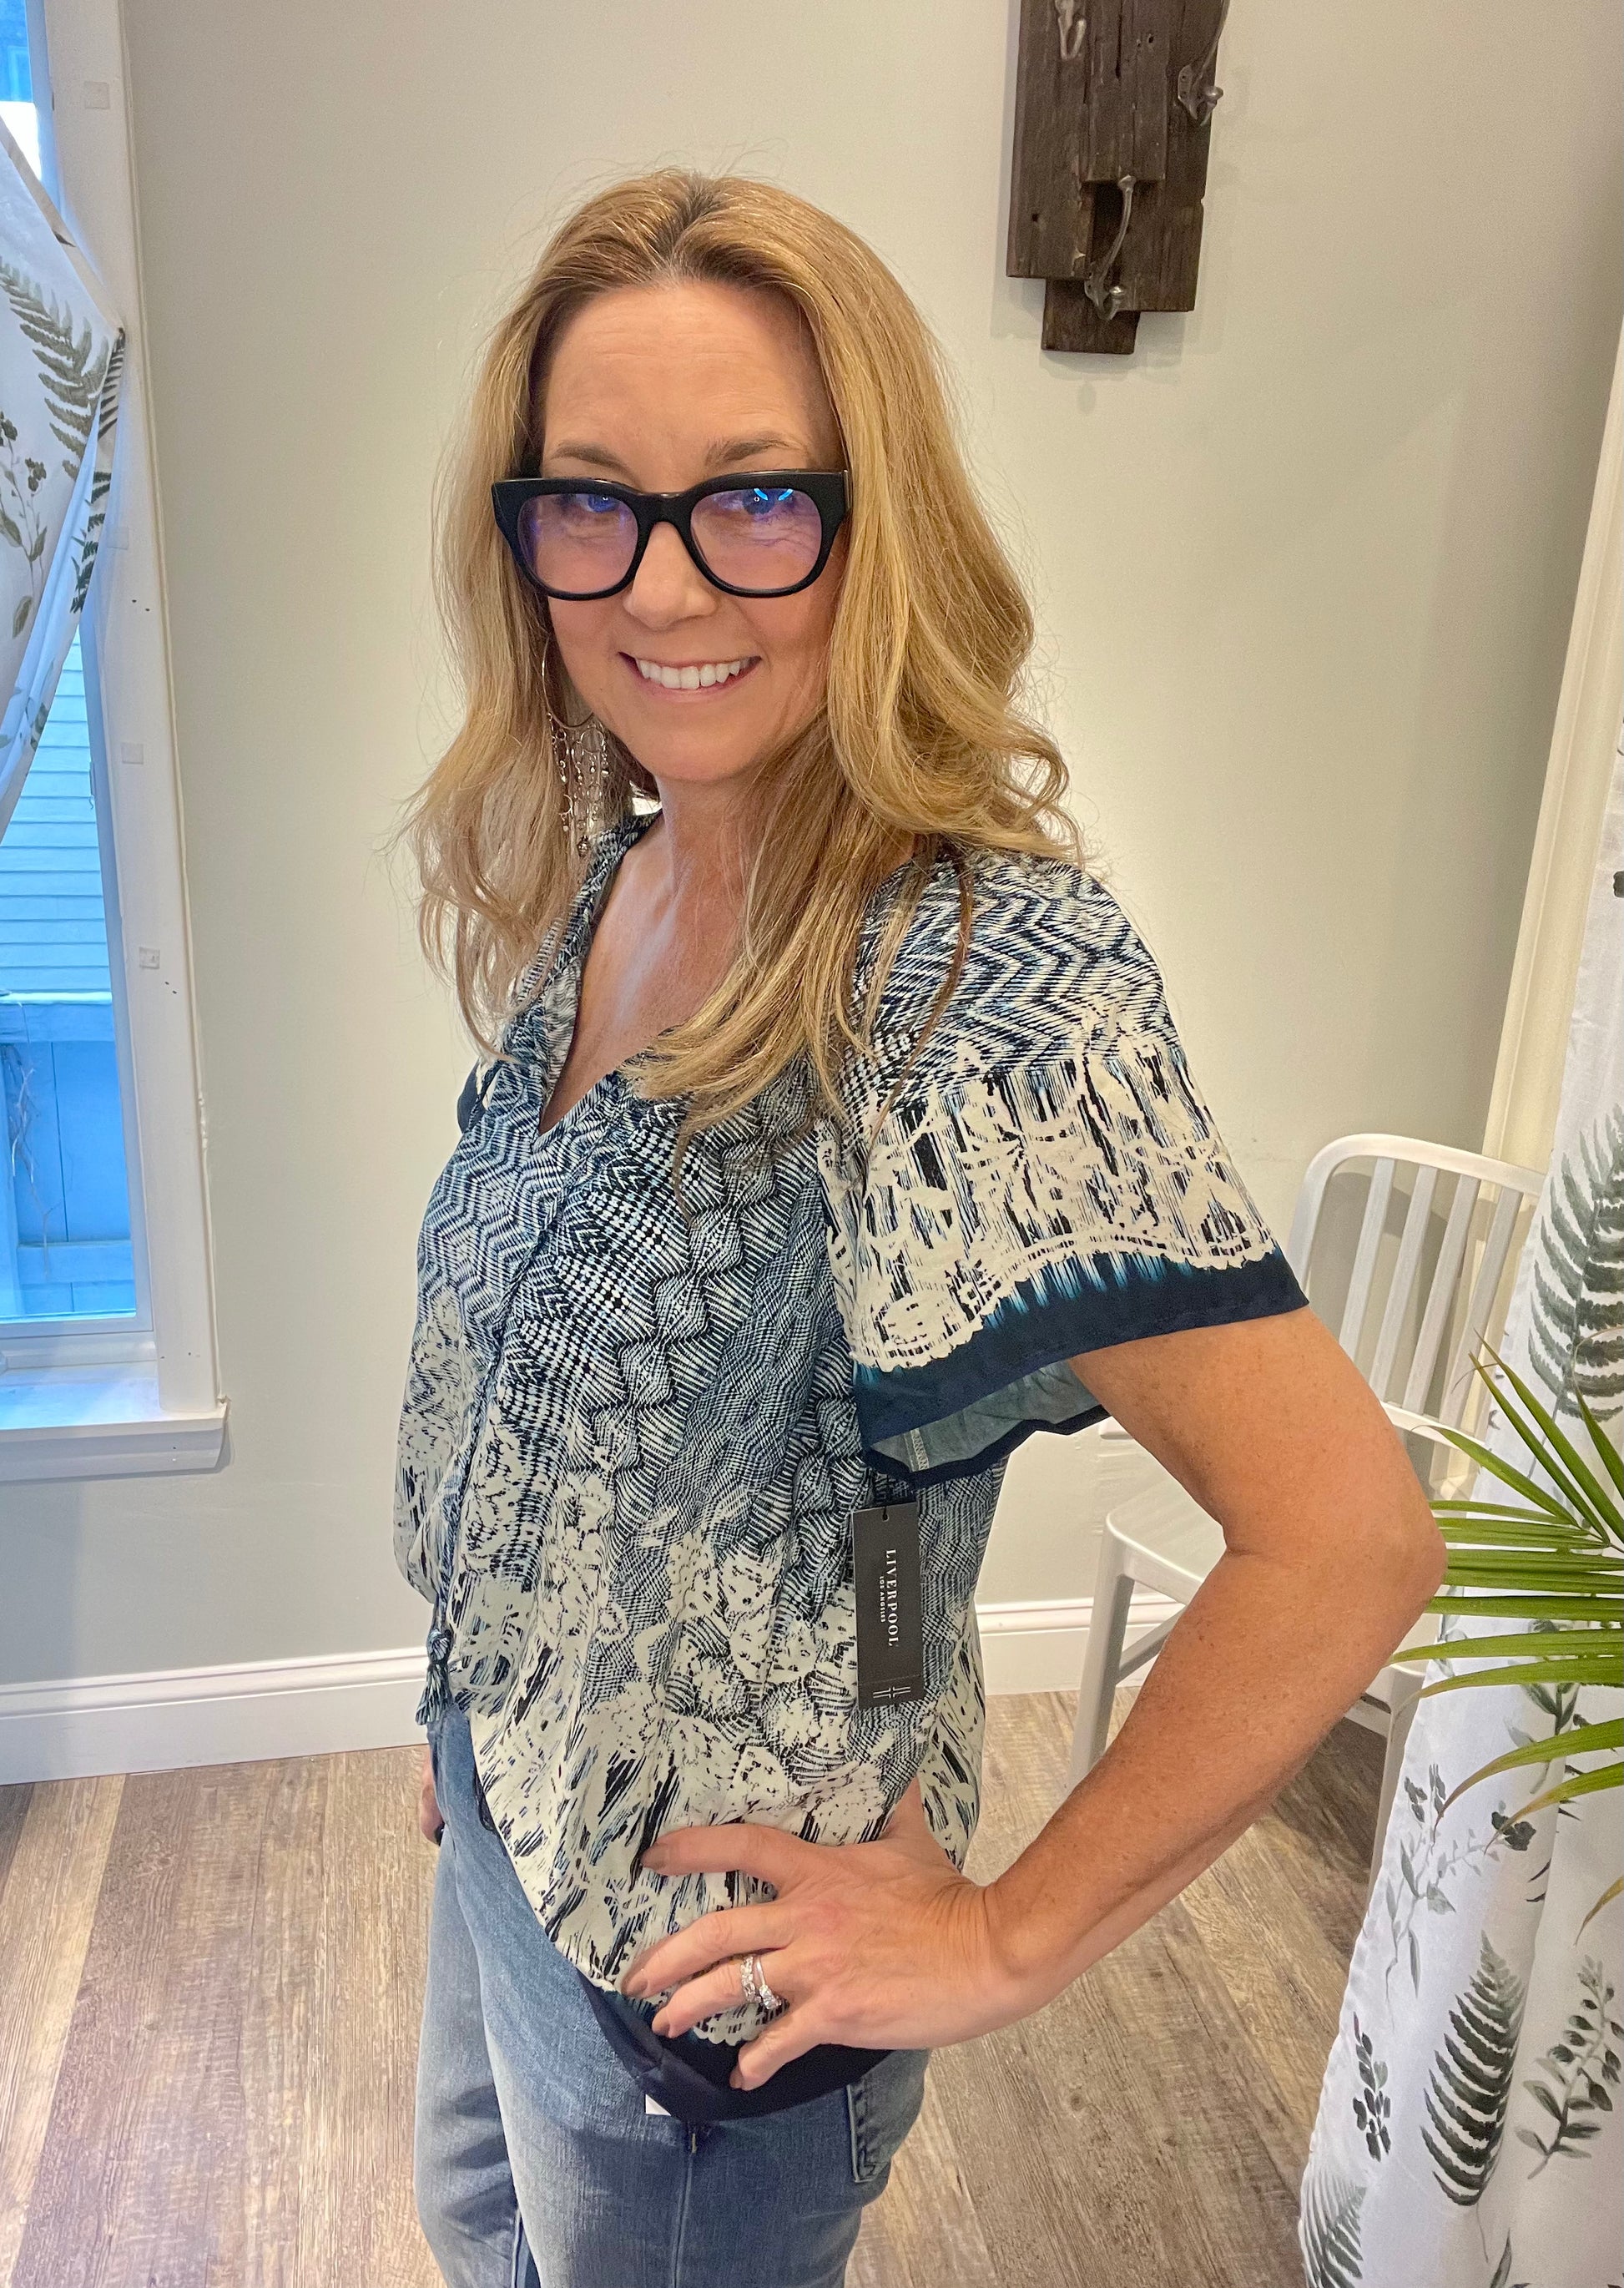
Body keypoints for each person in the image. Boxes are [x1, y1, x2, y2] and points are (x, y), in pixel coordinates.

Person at [393, 169, 1444, 2288]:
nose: (662, 581)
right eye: (591, 501)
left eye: (755, 498)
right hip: (509, 1817)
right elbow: (837, 1457)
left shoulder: (969, 977)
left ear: (879, 530)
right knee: (469, 2227)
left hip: (705, 2004)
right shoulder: (627, 867)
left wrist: (1002, 1937)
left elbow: (1345, 1540)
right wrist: (486, 1690)